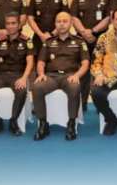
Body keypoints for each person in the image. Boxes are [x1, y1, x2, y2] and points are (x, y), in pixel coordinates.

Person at [32, 12, 90, 141]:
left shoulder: (79, 42)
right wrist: (41, 74)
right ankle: (43, 124)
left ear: (71, 23)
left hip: (70, 76)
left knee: (74, 88)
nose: (62, 24)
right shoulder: (48, 42)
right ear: (55, 24)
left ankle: (71, 123)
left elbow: (85, 63)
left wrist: (77, 75)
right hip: (51, 76)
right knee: (37, 88)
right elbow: (41, 62)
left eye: (65, 21)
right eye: (59, 21)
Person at [0, 12, 34, 137]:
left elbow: (30, 61)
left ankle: (13, 121)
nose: (10, 26)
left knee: (21, 91)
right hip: (0, 76)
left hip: (18, 76)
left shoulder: (27, 41)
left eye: (13, 23)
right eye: (8, 23)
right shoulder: (0, 41)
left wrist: (24, 78)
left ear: (19, 25)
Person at [69, 0, 112, 112]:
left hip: (101, 40)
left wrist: (93, 31)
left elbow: (108, 18)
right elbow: (74, 17)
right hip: (82, 40)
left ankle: (101, 105)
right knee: (83, 72)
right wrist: (84, 32)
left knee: (101, 70)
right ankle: (82, 103)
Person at [27, 0, 69, 66]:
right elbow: (30, 18)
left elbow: (66, 19)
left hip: (57, 37)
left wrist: (52, 34)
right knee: (38, 63)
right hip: (38, 37)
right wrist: (41, 35)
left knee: (55, 63)